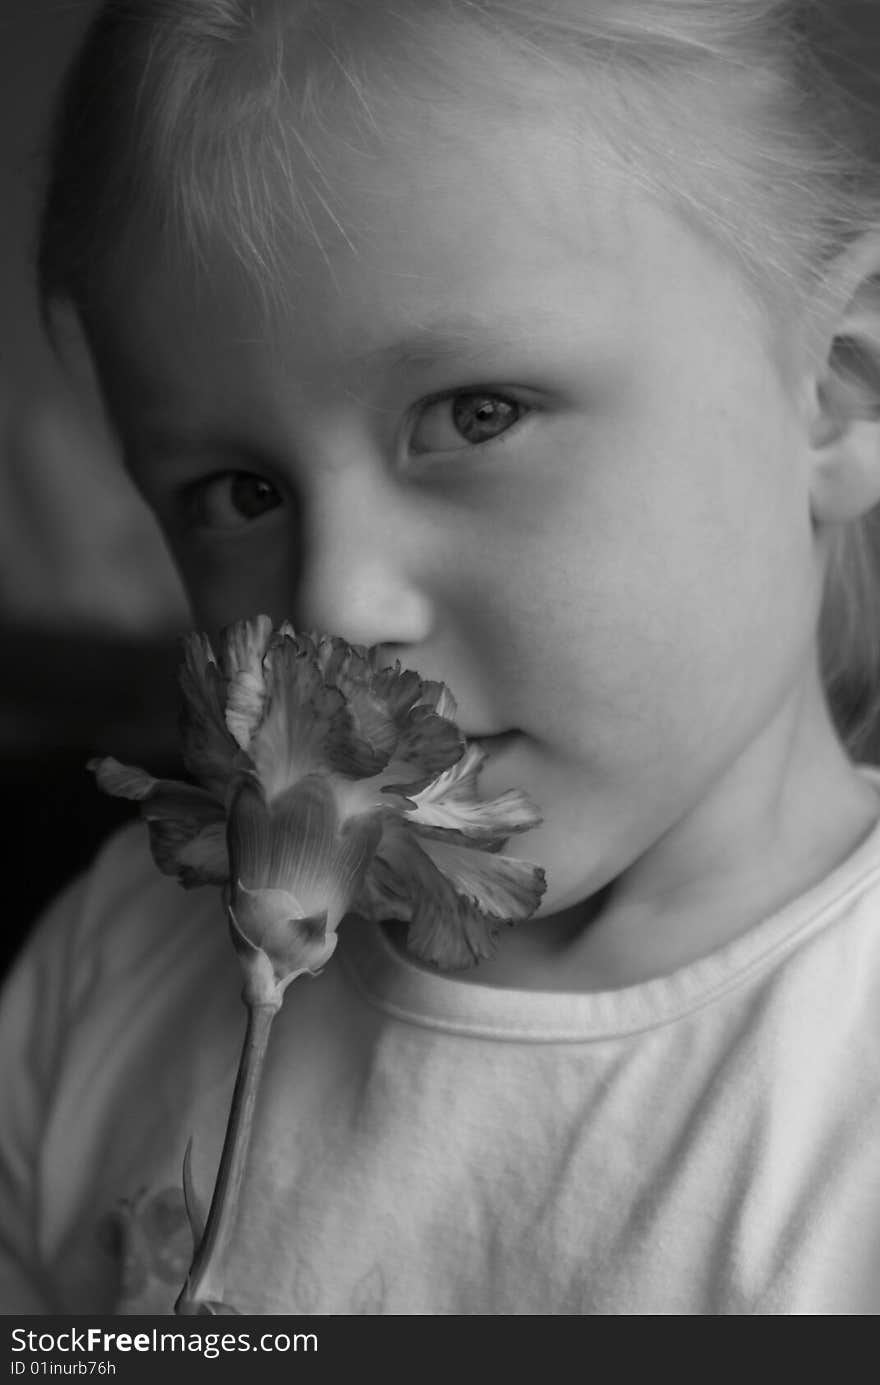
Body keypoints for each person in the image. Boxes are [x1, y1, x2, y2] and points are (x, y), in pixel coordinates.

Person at [3, 0, 880, 1316]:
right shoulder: (111, 970)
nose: (335, 602)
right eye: (239, 491)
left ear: (840, 388)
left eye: (475, 414)